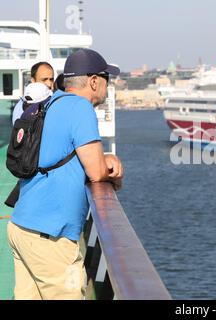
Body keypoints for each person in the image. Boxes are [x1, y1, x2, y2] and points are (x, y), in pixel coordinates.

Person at [7, 48, 123, 300]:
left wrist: (102, 159)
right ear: (93, 81)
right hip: (49, 239)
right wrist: (111, 170)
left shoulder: (51, 102)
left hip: (21, 227)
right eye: (106, 79)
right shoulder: (80, 108)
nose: (108, 86)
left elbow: (61, 150)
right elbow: (95, 172)